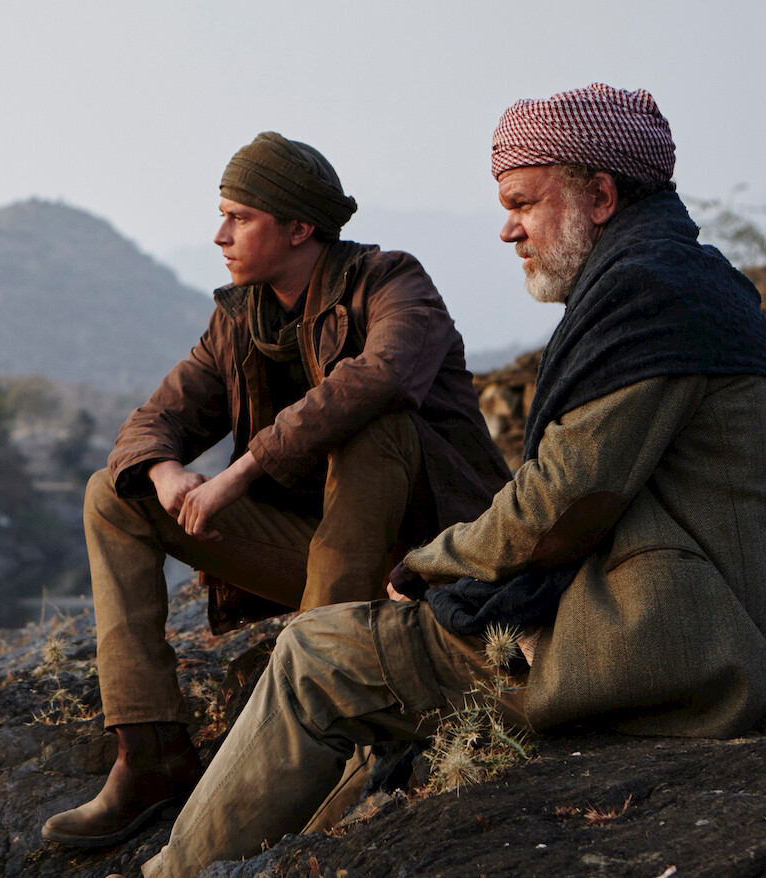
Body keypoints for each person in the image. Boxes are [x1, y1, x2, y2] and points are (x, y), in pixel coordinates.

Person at [124, 84, 766, 878]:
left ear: (600, 197)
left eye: (523, 203)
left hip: (698, 651)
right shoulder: (691, 278)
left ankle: (168, 874)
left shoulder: (646, 294)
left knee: (317, 656)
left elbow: (558, 506)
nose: (507, 228)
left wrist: (426, 567)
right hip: (761, 633)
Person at [41, 132, 510, 848]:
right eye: (221, 215)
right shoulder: (240, 318)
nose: (220, 235)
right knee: (115, 494)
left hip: (428, 563)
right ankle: (151, 754)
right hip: (321, 557)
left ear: (298, 227)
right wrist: (167, 472)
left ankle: (319, 709)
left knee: (374, 426)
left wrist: (240, 472)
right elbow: (153, 422)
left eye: (240, 217)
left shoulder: (392, 281)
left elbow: (381, 375)